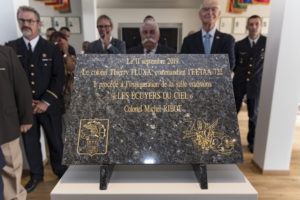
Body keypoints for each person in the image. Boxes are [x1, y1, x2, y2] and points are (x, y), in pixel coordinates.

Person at [6, 6, 67, 193]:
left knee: (55, 141)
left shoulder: (51, 48)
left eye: (30, 21)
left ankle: (59, 171)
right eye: (22, 21)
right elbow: (10, 79)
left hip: (49, 106)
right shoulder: (11, 48)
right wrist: (26, 102)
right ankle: (36, 176)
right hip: (26, 108)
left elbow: (59, 77)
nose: (26, 24)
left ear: (39, 24)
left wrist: (45, 101)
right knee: (30, 143)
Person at [0, 45, 32, 200]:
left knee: (11, 170)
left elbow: (21, 86)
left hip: (5, 126)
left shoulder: (5, 53)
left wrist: (26, 117)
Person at [233, 15, 267, 153]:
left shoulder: (267, 43)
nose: (253, 27)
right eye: (251, 24)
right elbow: (234, 65)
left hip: (256, 84)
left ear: (261, 25)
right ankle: (230, 141)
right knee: (232, 113)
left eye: (256, 24)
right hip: (239, 83)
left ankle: (252, 142)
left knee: (253, 115)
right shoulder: (239, 45)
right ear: (247, 26)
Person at [181, 0, 235, 70]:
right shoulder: (188, 40)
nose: (209, 12)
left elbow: (229, 65)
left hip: (218, 80)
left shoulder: (227, 40)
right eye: (206, 9)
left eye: (213, 9)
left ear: (219, 14)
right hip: (195, 80)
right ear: (200, 15)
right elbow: (183, 64)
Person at [50, 31, 76, 113]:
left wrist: (66, 51)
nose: (58, 43)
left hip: (69, 94)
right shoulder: (50, 57)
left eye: (60, 40)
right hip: (56, 94)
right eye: (55, 41)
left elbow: (71, 68)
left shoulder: (70, 55)